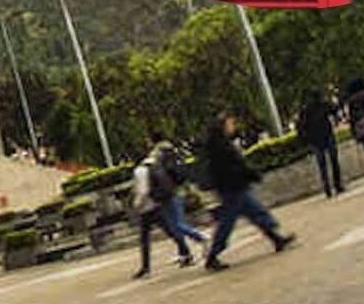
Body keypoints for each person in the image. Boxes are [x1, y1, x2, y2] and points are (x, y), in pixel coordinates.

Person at [199, 113, 294, 272]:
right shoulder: (221, 145)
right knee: (228, 223)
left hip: (234, 187)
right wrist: (252, 174)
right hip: (231, 189)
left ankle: (276, 239)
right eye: (230, 123)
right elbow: (237, 164)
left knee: (256, 212)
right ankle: (212, 256)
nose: (233, 126)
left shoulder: (217, 144)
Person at [130, 138, 197, 278]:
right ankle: (186, 252)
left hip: (148, 207)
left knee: (146, 238)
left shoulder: (140, 170)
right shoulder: (153, 164)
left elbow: (143, 191)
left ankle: (146, 267)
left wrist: (136, 205)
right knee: (170, 230)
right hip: (158, 203)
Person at [296, 90, 344, 199]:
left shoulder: (306, 109)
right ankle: (336, 185)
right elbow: (334, 109)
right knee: (333, 161)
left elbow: (301, 126)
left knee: (323, 165)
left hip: (316, 140)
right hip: (325, 136)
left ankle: (328, 188)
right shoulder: (322, 105)